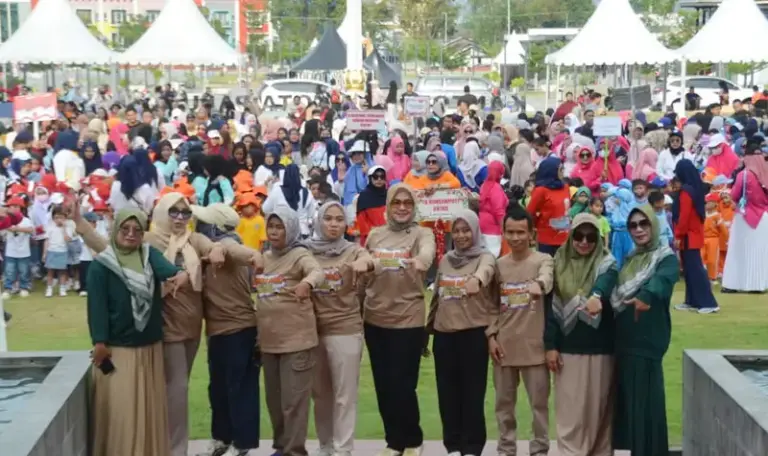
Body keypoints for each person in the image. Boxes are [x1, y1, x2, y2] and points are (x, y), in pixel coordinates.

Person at [88, 208, 189, 456]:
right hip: (119, 349)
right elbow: (96, 308)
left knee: (148, 409)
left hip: (149, 348)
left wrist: (181, 275)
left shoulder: (148, 254)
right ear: (116, 230)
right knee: (122, 410)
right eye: (126, 229)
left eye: (137, 230)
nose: (131, 235)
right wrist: (100, 342)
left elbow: (169, 270)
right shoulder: (102, 266)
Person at [363, 184, 436, 456]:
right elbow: (365, 271)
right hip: (375, 318)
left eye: (407, 202)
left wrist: (421, 260)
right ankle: (394, 441)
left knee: (403, 384)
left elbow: (428, 251)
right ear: (389, 206)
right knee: (383, 384)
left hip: (408, 319)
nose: (403, 207)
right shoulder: (375, 235)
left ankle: (413, 440)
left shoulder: (421, 233)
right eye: (397, 202)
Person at [192, 203, 263, 456]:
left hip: (239, 330)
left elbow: (242, 252)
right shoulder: (209, 245)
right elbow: (196, 237)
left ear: (217, 227)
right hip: (217, 330)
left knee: (240, 389)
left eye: (203, 222)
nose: (196, 224)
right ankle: (222, 438)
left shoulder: (230, 246)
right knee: (218, 389)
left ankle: (241, 443)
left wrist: (255, 257)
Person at [304, 201, 373, 456]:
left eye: (339, 219)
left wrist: (364, 263)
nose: (333, 224)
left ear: (346, 224)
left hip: (345, 329)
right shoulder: (306, 252)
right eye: (328, 219)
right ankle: (325, 446)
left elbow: (368, 258)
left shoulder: (352, 251)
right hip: (313, 331)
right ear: (319, 221)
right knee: (320, 394)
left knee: (345, 395)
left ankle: (343, 449)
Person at [546, 213, 618, 456]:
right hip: (567, 349)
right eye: (578, 236)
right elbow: (551, 310)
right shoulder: (558, 263)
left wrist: (596, 295)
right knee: (570, 412)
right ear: (571, 236)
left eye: (590, 237)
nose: (584, 242)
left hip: (600, 349)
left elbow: (607, 282)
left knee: (597, 413)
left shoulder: (607, 262)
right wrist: (550, 346)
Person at [427, 209, 495, 456]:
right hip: (444, 336)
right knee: (447, 394)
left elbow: (486, 272)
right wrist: (428, 329)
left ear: (475, 231)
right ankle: (453, 446)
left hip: (473, 335)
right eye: (456, 230)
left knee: (473, 394)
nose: (462, 235)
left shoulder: (484, 258)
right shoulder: (446, 260)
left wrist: (476, 280)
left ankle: (472, 447)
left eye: (466, 229)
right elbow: (437, 297)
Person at [611, 204, 678, 456]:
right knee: (630, 407)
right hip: (624, 340)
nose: (638, 229)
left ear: (654, 224)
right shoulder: (630, 259)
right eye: (633, 225)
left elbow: (663, 281)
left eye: (644, 223)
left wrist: (646, 296)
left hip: (646, 341)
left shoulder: (665, 257)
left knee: (646, 408)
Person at [257, 208, 324, 456]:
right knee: (274, 403)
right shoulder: (265, 257)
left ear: (291, 228)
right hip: (269, 342)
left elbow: (317, 272)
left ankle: (294, 451)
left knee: (293, 403)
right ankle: (281, 447)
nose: (274, 232)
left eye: (280, 227)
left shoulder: (299, 255)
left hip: (296, 343)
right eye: (271, 226)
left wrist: (307, 283)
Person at [487, 206, 553, 456]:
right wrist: (491, 336)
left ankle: (540, 449)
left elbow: (547, 277)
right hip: (504, 347)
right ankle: (506, 449)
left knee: (539, 405)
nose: (515, 238)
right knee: (504, 405)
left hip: (534, 347)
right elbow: (491, 305)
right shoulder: (499, 266)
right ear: (503, 233)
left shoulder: (542, 260)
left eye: (521, 232)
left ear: (531, 234)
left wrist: (539, 284)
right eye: (510, 232)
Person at [673, 160, 719, 313]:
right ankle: (692, 300)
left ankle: (709, 303)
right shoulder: (697, 188)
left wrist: (678, 234)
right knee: (690, 269)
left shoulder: (686, 191)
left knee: (695, 269)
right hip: (694, 233)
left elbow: (684, 216)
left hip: (688, 235)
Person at [722, 141, 768, 292]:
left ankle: (733, 285)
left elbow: (735, 195)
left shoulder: (744, 175)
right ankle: (757, 285)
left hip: (745, 216)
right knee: (760, 253)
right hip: (764, 217)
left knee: (738, 251)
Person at [527, 156, 570, 255]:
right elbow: (529, 213)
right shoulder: (541, 190)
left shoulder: (565, 187)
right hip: (547, 238)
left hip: (565, 237)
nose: (563, 171)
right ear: (552, 171)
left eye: (563, 168)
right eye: (560, 169)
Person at [262, 164, 317, 238]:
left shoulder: (277, 191)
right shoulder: (307, 192)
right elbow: (311, 214)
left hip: (283, 233)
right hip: (302, 232)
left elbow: (265, 209)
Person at [478, 161, 508, 257]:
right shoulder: (496, 188)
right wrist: (504, 229)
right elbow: (499, 211)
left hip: (481, 224)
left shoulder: (484, 185)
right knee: (493, 256)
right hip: (493, 227)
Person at [356, 166, 388, 246]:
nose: (379, 179)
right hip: (370, 238)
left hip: (389, 236)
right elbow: (361, 219)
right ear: (370, 178)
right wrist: (371, 235)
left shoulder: (389, 194)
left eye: (382, 177)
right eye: (375, 177)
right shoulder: (364, 196)